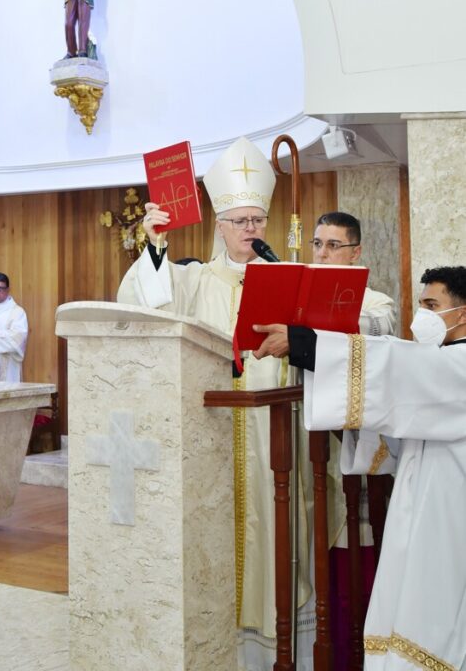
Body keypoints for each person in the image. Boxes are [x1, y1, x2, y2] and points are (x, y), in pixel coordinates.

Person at [118, 136, 316, 670]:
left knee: (272, 523)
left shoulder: (285, 277)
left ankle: (277, 644)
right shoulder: (195, 278)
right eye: (241, 221)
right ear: (220, 226)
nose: (252, 229)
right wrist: (156, 245)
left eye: (257, 220)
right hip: (212, 429)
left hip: (274, 426)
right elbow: (148, 303)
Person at [254, 266, 466, 671]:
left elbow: (393, 365)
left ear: (462, 314)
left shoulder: (456, 365)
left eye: (431, 305)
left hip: (447, 517)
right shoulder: (439, 360)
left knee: (437, 616)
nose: (420, 315)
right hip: (418, 507)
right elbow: (399, 405)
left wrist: (304, 343)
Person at [310, 212, 396, 669]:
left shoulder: (378, 303)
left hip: (354, 459)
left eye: (333, 246)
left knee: (354, 570)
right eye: (317, 244)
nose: (322, 254)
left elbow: (366, 335)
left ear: (356, 252)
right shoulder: (301, 296)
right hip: (309, 455)